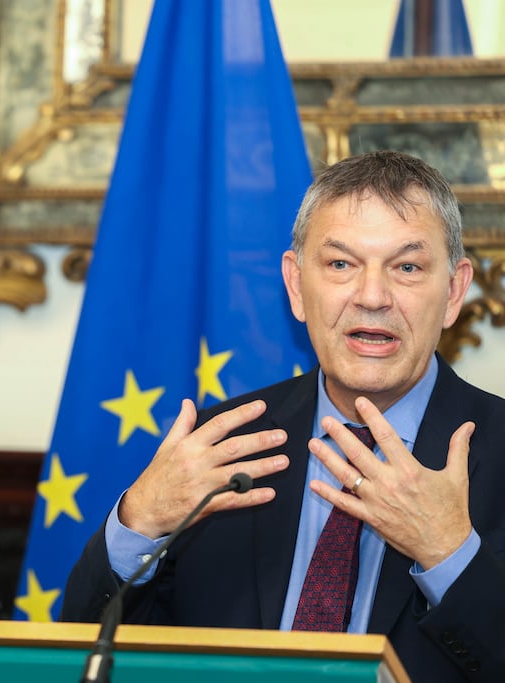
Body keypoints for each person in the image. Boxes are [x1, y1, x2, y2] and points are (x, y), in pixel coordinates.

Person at [61, 150, 505, 682]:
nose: (372, 296)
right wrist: (138, 524)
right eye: (340, 264)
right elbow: (84, 653)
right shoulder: (223, 447)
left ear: (454, 291)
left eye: (407, 267)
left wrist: (449, 556)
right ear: (296, 285)